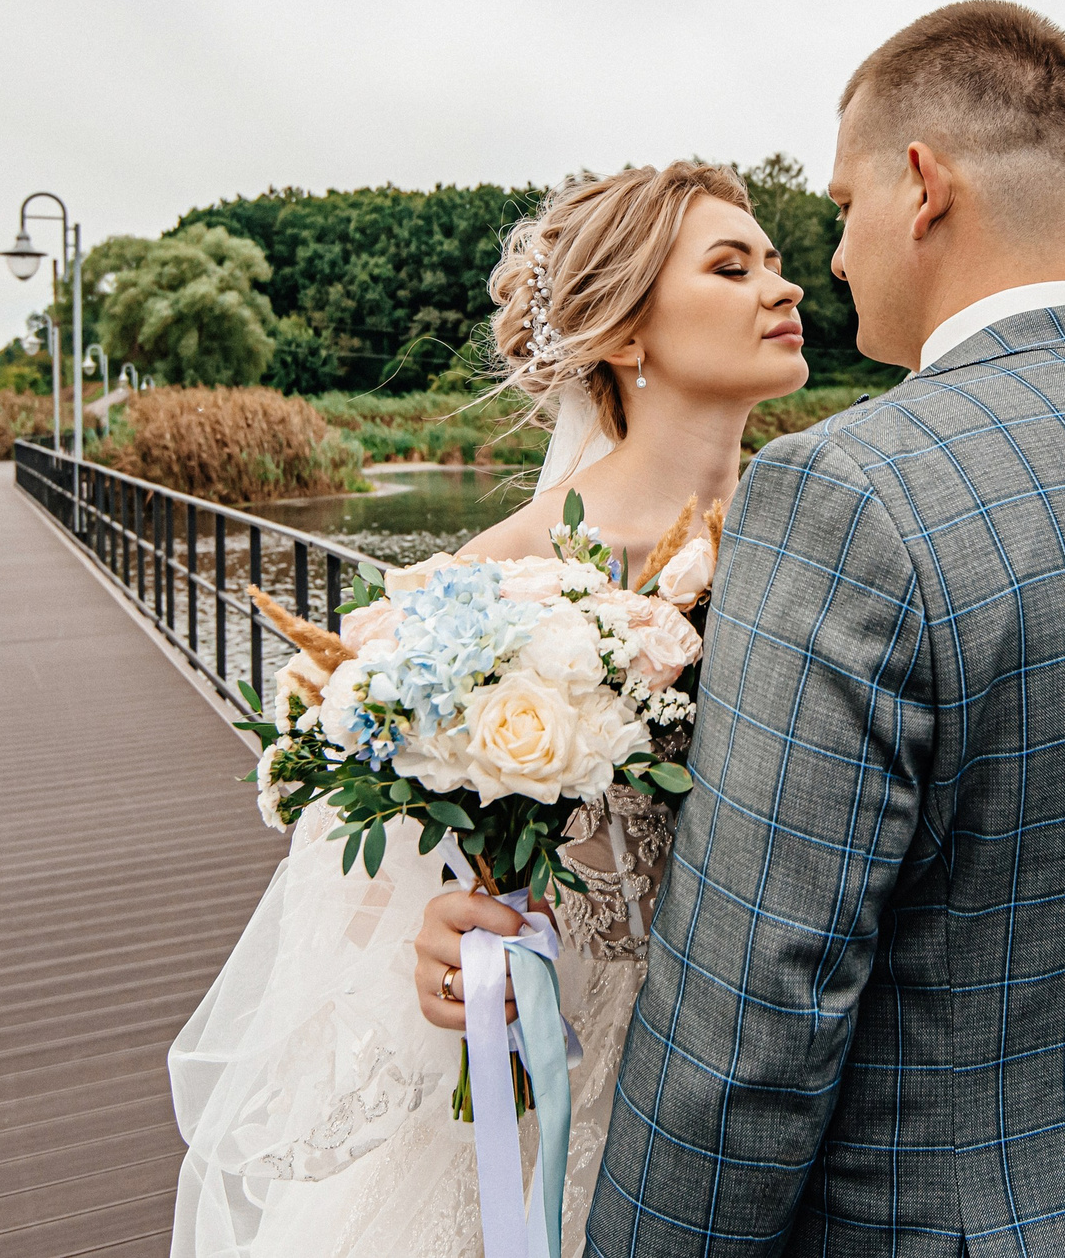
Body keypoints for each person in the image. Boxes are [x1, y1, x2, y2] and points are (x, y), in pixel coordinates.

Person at [435, 0, 1065, 1255]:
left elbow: (750, 1030)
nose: (828, 262)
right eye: (737, 261)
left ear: (922, 187)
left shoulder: (850, 500)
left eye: (839, 209)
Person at [168, 161, 811, 1258]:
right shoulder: (504, 573)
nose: (784, 286)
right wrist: (435, 940)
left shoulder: (817, 535)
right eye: (731, 265)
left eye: (779, 261)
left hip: (776, 1071)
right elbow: (367, 860)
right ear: (624, 334)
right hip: (569, 1072)